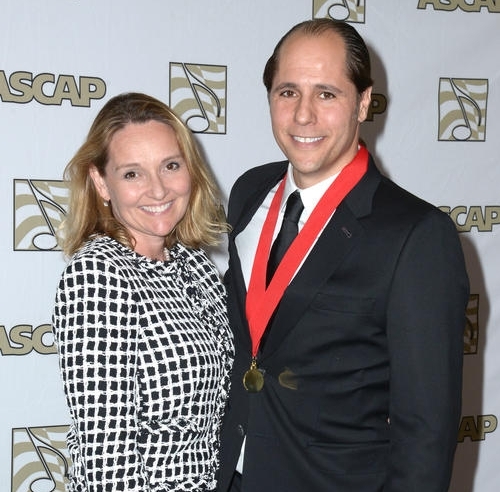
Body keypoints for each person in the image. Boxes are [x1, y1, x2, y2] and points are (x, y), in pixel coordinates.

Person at [217, 19, 469, 492]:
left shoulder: (417, 236)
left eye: (327, 94)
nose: (303, 115)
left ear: (364, 102)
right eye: (287, 92)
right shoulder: (250, 193)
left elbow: (426, 433)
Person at [52, 92, 234, 492]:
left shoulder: (196, 265)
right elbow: (105, 455)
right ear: (101, 181)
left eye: (170, 166)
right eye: (132, 173)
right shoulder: (98, 273)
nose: (158, 190)